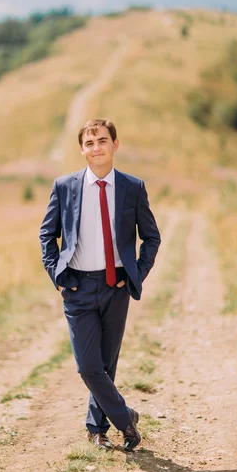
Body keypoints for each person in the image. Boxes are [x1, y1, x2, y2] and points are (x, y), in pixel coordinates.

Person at [39, 119, 161, 451]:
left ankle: (97, 429)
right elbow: (47, 235)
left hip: (115, 285)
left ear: (115, 144)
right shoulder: (65, 186)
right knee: (88, 367)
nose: (96, 147)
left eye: (102, 140)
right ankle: (126, 419)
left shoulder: (133, 187)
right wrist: (59, 277)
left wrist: (135, 272)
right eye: (89, 142)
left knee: (106, 365)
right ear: (82, 149)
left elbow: (151, 237)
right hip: (77, 287)